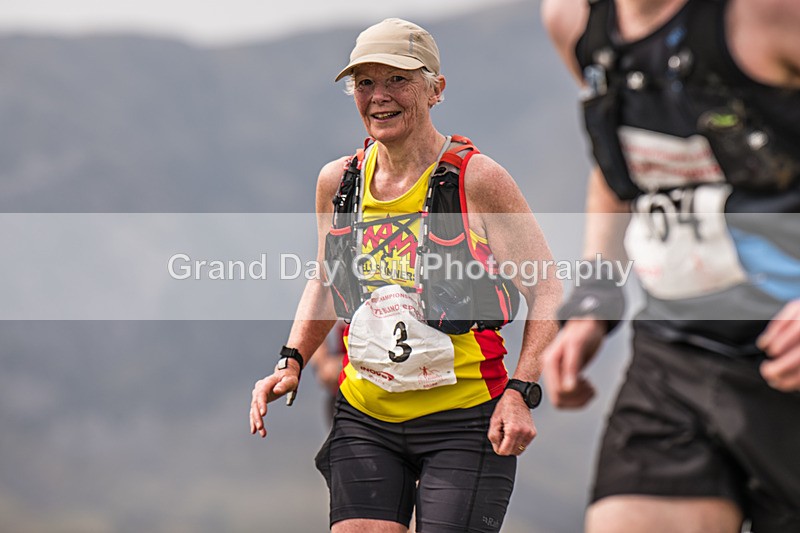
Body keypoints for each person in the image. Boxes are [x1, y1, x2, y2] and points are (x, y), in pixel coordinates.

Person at [249, 18, 561, 532]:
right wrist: (292, 359)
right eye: (365, 82)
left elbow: (547, 290)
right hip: (365, 413)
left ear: (436, 89)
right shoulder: (339, 182)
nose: (379, 97)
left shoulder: (477, 180)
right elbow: (327, 279)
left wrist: (521, 391)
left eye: (398, 80)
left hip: (465, 417)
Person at [541, 0, 800, 531]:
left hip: (786, 357)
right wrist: (596, 297)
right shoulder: (574, 20)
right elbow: (625, 163)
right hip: (675, 357)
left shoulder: (768, 15)